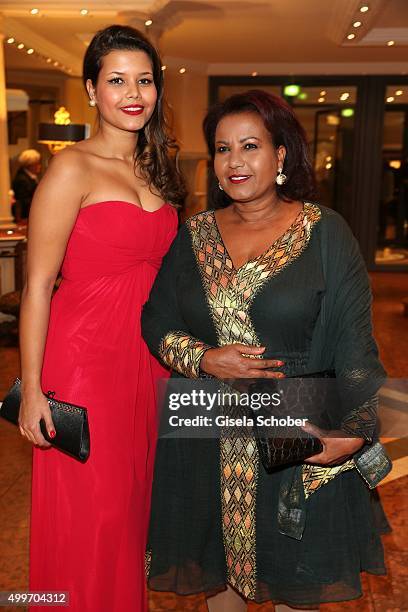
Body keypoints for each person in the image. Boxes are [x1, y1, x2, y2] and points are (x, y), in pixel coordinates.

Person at [141, 90, 391, 611]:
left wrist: (354, 425)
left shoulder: (325, 232)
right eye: (223, 148)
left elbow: (354, 342)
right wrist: (205, 358)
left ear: (280, 155)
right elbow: (156, 320)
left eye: (250, 146)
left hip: (296, 432)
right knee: (219, 580)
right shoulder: (193, 236)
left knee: (295, 584)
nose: (235, 161)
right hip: (206, 433)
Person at [18, 25, 183, 612]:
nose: (132, 92)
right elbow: (37, 286)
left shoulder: (158, 171)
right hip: (84, 363)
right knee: (94, 515)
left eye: (144, 80)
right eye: (116, 80)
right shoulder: (71, 169)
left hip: (148, 365)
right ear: (91, 89)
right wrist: (34, 390)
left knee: (132, 515)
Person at [12, 149, 42, 221]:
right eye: (37, 163)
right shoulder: (22, 179)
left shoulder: (30, 177)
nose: (39, 166)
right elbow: (23, 200)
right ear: (30, 165)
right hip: (25, 216)